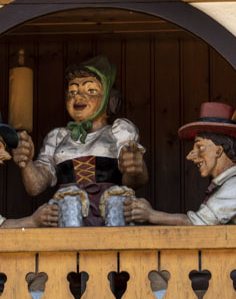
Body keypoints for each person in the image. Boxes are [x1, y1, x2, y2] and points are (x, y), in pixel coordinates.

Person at [13, 55, 147, 226]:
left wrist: (135, 167)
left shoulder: (119, 132)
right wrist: (26, 163)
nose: (79, 97)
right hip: (69, 212)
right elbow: (36, 187)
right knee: (70, 202)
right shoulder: (58, 138)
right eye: (73, 92)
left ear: (110, 99)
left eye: (91, 91)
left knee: (116, 202)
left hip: (111, 210)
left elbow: (134, 180)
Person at [125, 102, 236, 226]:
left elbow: (198, 225)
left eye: (199, 147)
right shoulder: (231, 184)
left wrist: (151, 215)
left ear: (219, 150)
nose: (189, 156)